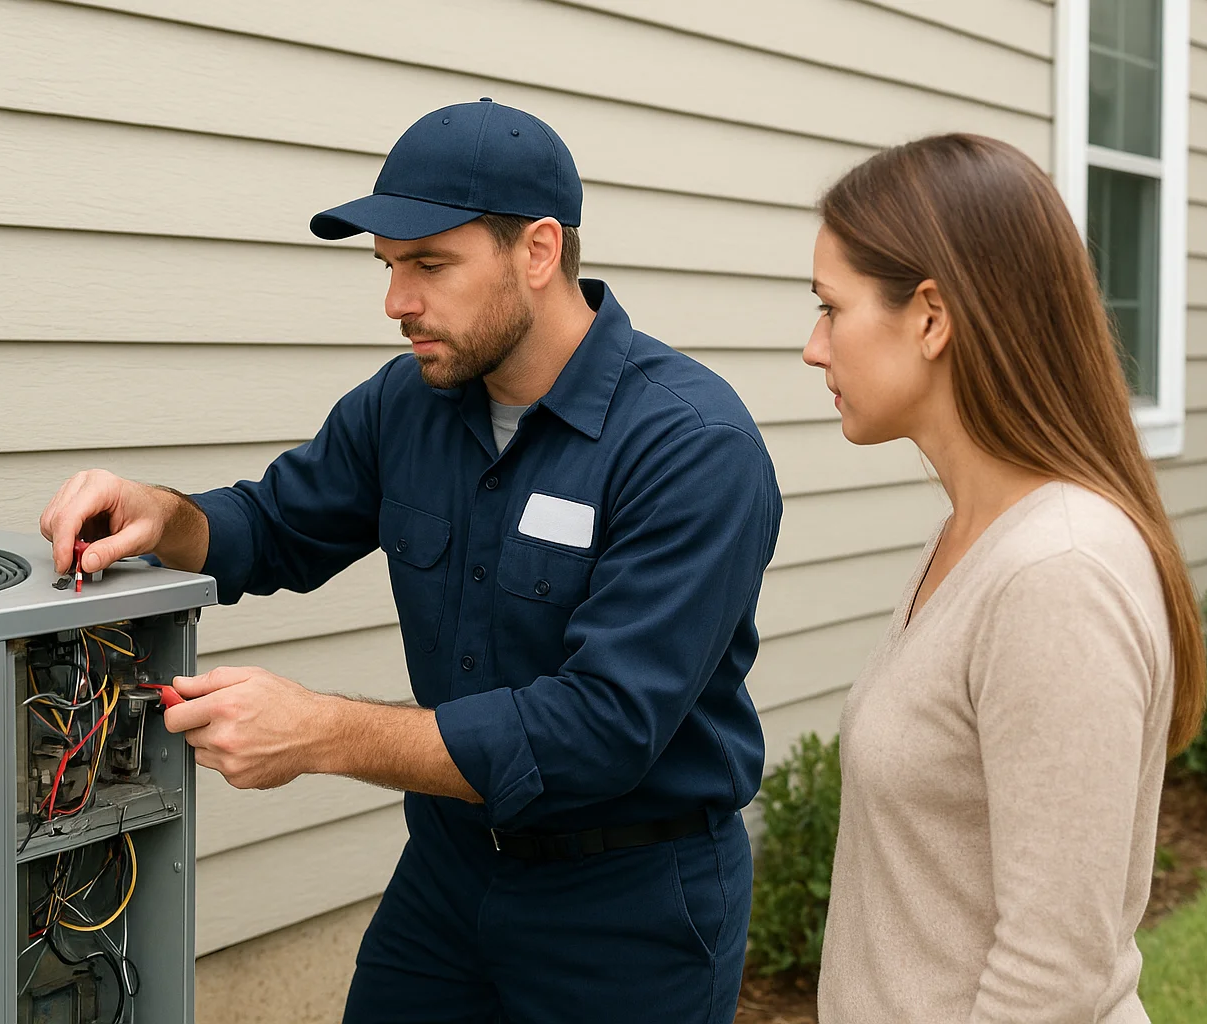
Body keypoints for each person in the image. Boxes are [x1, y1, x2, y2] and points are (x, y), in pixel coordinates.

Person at [39, 99, 781, 1022]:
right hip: (448, 878)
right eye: (388, 267)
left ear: (538, 250)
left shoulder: (690, 446)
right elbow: (271, 526)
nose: (397, 303)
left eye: (429, 265)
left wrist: (321, 732)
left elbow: (599, 729)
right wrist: (160, 514)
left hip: (628, 906)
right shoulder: (408, 403)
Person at [804, 133, 1207, 1023]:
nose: (813, 347)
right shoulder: (973, 537)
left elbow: (1051, 976)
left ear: (931, 317)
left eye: (831, 309)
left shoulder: (1056, 573)